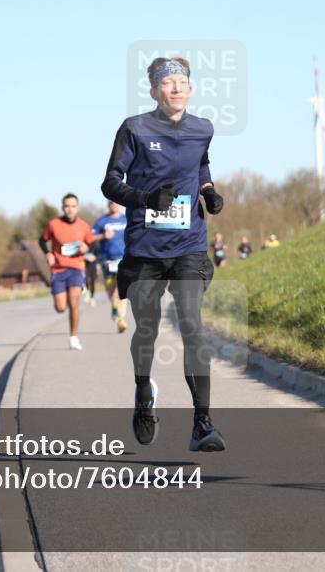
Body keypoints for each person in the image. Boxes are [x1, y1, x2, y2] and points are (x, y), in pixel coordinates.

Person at [101, 56, 227, 452]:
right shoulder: (134, 128)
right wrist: (144, 199)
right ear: (154, 91)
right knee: (148, 330)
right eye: (166, 83)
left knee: (192, 324)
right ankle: (143, 394)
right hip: (145, 248)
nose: (175, 88)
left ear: (191, 90)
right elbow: (109, 183)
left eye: (181, 82)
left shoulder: (203, 129)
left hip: (189, 244)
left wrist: (208, 191)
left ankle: (202, 423)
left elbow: (201, 165)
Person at [39, 193, 96, 350]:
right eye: (66, 206)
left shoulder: (83, 226)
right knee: (61, 308)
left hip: (76, 268)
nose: (69, 209)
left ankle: (73, 337)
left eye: (73, 206)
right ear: (62, 207)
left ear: (77, 208)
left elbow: (92, 244)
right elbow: (42, 240)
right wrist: (48, 253)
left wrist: (87, 248)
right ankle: (67, 295)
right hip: (58, 270)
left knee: (74, 302)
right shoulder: (54, 225)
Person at [92, 200, 129, 332]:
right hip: (106, 259)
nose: (113, 204)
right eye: (111, 202)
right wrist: (103, 235)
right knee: (111, 288)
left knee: (122, 289)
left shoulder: (126, 218)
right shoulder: (102, 221)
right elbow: (91, 237)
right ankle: (114, 306)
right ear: (107, 204)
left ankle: (122, 318)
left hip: (124, 258)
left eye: (115, 202)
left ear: (119, 204)